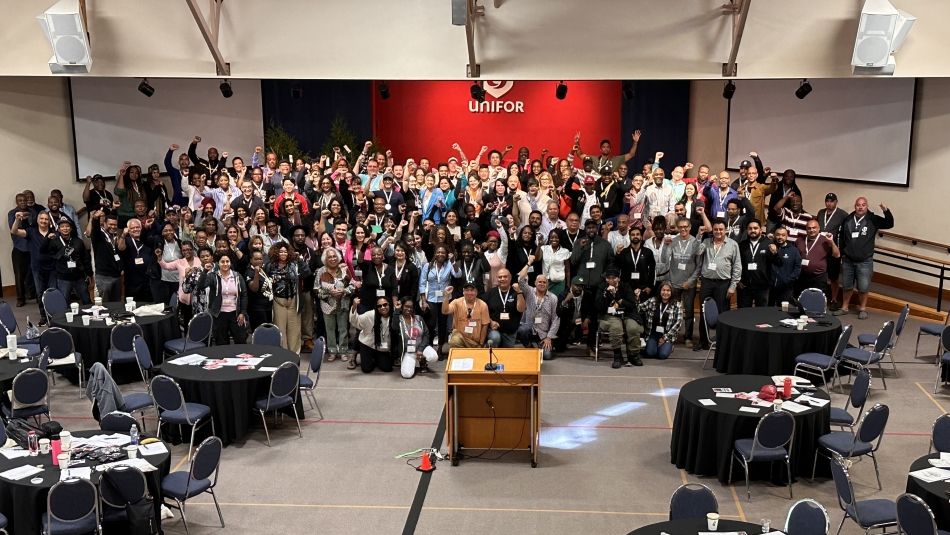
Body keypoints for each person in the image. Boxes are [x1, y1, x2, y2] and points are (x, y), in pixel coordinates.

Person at [834, 197, 894, 320]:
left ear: (867, 206)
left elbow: (889, 223)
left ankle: (862, 309)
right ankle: (844, 307)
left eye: (863, 205)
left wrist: (885, 210)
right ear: (854, 206)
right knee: (846, 285)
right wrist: (842, 253)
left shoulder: (872, 219)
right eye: (858, 205)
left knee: (863, 287)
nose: (860, 207)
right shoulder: (848, 219)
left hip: (865, 261)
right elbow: (842, 237)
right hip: (848, 260)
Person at [696, 220, 741, 351]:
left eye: (721, 229)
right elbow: (697, 252)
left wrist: (733, 286)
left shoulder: (733, 245)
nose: (718, 232)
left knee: (722, 313)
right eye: (715, 229)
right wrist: (699, 236)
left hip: (723, 284)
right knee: (703, 313)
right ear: (712, 230)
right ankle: (703, 341)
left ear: (725, 230)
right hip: (707, 282)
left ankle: (722, 341)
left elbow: (737, 266)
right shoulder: (706, 242)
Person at [662, 217, 702, 345]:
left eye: (686, 226)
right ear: (678, 228)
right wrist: (665, 246)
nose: (683, 229)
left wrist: (690, 281)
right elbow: (664, 259)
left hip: (688, 284)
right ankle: (671, 336)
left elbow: (699, 266)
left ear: (690, 227)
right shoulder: (673, 241)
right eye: (680, 227)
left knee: (689, 312)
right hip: (674, 283)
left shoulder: (695, 242)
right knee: (672, 311)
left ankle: (688, 337)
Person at [11, 211, 56, 325]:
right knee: (40, 293)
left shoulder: (54, 233)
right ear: (37, 220)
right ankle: (43, 317)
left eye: (46, 219)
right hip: (37, 268)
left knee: (52, 292)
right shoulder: (31, 231)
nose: (44, 221)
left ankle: (53, 316)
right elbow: (14, 231)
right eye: (42, 219)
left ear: (49, 221)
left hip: (52, 268)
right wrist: (17, 220)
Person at [594, 268, 644, 368]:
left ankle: (633, 355)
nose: (612, 280)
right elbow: (598, 307)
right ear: (606, 279)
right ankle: (617, 356)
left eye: (614, 278)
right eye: (609, 278)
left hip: (627, 314)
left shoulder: (625, 287)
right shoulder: (602, 288)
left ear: (618, 279)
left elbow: (631, 305)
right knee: (616, 328)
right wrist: (606, 294)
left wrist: (616, 296)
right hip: (610, 315)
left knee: (633, 328)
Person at [266, 242, 310, 354]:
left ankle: (294, 356)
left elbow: (307, 273)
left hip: (293, 301)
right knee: (280, 329)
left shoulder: (294, 264)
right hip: (278, 301)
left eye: (285, 251)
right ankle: (282, 355)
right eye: (281, 251)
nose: (283, 253)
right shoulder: (270, 266)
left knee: (294, 330)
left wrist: (300, 260)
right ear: (276, 252)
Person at [315, 247, 356, 363]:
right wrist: (329, 293)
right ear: (325, 259)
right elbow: (316, 289)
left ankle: (343, 351)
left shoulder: (344, 270)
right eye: (329, 257)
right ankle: (332, 351)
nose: (332, 259)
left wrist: (344, 291)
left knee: (343, 329)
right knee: (330, 329)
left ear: (338, 258)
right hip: (327, 305)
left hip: (343, 304)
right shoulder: (321, 271)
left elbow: (352, 286)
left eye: (334, 256)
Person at [198, 252, 248, 345]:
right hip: (219, 314)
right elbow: (201, 286)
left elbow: (244, 295)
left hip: (235, 314)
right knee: (221, 342)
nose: (225, 264)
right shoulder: (213, 276)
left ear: (230, 263)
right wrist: (204, 272)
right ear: (218, 263)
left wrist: (242, 312)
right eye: (222, 262)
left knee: (241, 340)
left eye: (227, 261)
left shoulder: (237, 276)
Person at [516, 259, 559, 360]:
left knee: (547, 356)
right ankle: (530, 347)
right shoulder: (529, 291)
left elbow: (556, 319)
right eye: (539, 282)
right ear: (535, 283)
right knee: (522, 330)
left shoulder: (553, 298)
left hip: (543, 333)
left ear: (547, 284)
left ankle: (542, 347)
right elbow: (520, 279)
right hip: (530, 328)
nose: (542, 284)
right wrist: (528, 263)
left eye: (544, 282)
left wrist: (549, 337)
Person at [42, 217, 92, 304]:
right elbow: (43, 251)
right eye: (62, 226)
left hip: (78, 276)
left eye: (67, 226)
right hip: (63, 277)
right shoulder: (54, 241)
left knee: (86, 299)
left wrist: (89, 273)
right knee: (64, 300)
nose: (65, 228)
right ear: (59, 229)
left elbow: (85, 258)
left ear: (71, 228)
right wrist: (47, 239)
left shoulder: (78, 241)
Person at [815, 192, 848, 309]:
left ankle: (834, 299)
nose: (829, 203)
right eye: (827, 201)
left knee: (833, 276)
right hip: (820, 248)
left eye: (832, 201)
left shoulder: (842, 214)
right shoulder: (820, 212)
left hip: (834, 249)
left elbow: (846, 231)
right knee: (820, 274)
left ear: (836, 202)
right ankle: (819, 298)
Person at [394, 297, 438, 378]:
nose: (409, 309)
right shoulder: (398, 319)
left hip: (421, 347)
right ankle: (412, 361)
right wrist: (396, 310)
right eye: (406, 306)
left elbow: (426, 334)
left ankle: (422, 361)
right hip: (409, 350)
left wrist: (420, 349)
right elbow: (394, 327)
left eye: (411, 307)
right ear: (402, 306)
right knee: (406, 374)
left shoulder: (418, 318)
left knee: (433, 357)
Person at [638, 281, 684, 359]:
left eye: (668, 290)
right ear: (660, 291)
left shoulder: (677, 305)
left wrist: (665, 338)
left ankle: (669, 346)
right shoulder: (652, 301)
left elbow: (678, 324)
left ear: (671, 292)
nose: (665, 292)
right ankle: (653, 346)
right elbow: (639, 308)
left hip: (667, 336)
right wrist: (637, 298)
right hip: (653, 334)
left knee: (662, 355)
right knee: (650, 353)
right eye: (663, 290)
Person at [796, 219, 840, 297]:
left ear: (819, 228)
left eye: (814, 228)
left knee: (816, 299)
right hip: (802, 275)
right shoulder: (800, 240)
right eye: (809, 228)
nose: (811, 230)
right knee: (802, 299)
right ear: (806, 229)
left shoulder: (825, 240)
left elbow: (837, 255)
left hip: (819, 276)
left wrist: (832, 242)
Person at [483, 268, 525, 348]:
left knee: (507, 353)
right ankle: (490, 352)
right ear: (497, 278)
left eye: (505, 277)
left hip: (510, 332)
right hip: (494, 330)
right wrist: (490, 321)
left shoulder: (516, 292)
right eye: (500, 277)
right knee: (495, 338)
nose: (502, 279)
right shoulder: (491, 292)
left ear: (510, 278)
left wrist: (519, 292)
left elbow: (521, 309)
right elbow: (482, 310)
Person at [442, 282, 491, 349]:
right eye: (467, 290)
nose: (469, 293)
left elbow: (485, 325)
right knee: (454, 341)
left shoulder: (483, 305)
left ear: (476, 292)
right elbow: (445, 311)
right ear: (463, 292)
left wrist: (481, 343)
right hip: (461, 338)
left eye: (472, 290)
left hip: (475, 341)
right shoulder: (456, 302)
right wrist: (446, 296)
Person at [767, 227, 802, 306]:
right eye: (778, 235)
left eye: (783, 235)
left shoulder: (794, 250)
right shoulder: (769, 248)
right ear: (774, 236)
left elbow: (797, 268)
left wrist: (788, 280)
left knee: (784, 310)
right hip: (770, 287)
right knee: (769, 310)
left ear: (787, 236)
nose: (780, 237)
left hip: (786, 288)